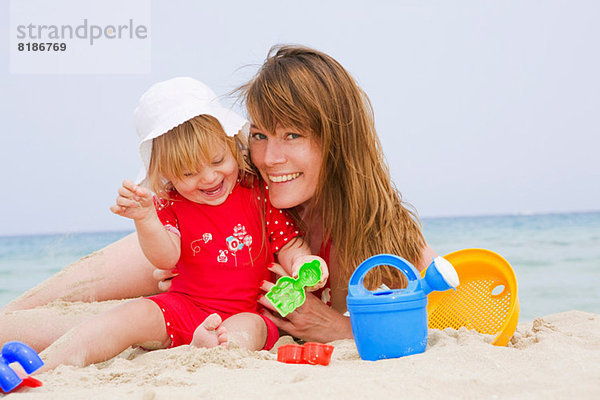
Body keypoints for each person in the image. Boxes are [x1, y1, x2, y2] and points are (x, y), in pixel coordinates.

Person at [0, 45, 435, 350]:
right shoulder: (236, 182)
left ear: (337, 139)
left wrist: (338, 327)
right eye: (260, 134)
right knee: (32, 312)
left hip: (233, 322)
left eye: (293, 135)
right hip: (191, 265)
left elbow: (443, 311)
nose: (268, 155)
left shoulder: (384, 227)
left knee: (80, 325)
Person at [35, 77, 328, 371]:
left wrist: (303, 264)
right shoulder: (171, 204)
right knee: (131, 314)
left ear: (230, 144)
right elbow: (165, 257)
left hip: (248, 310)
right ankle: (49, 364)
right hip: (184, 307)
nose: (209, 178)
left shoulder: (256, 192)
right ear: (167, 175)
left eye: (217, 160)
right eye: (188, 172)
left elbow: (287, 243)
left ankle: (216, 350)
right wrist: (145, 218)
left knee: (248, 329)